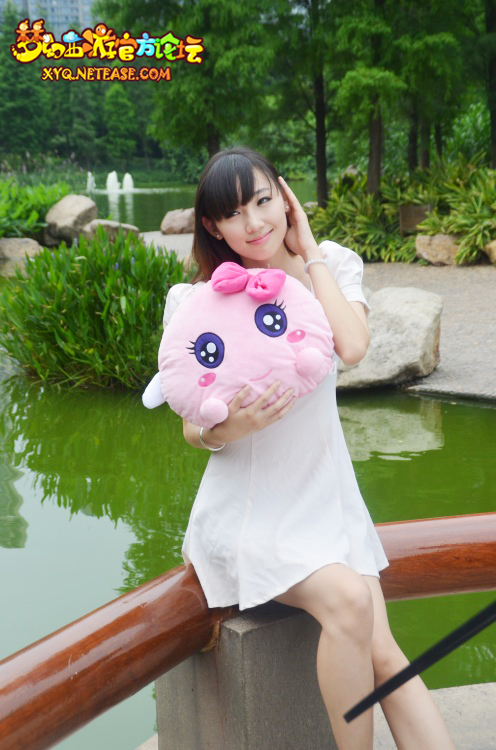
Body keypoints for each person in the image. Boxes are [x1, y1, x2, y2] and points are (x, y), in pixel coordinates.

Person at [164, 147, 455, 750]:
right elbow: (191, 426)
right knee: (349, 601)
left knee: (383, 653)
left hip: (327, 504)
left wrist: (310, 252)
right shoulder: (197, 302)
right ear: (213, 227)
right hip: (249, 514)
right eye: (234, 214)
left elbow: (352, 346)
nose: (254, 223)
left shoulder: (332, 266)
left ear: (285, 196)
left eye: (263, 200)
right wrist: (229, 428)